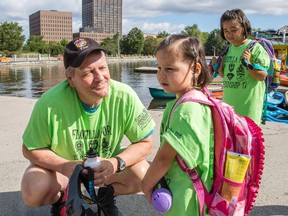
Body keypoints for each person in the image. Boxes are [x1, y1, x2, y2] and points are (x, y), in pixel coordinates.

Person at [20, 37, 156, 216]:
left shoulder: (125, 96)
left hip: (105, 168)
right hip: (64, 172)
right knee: (33, 189)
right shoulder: (48, 104)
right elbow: (30, 148)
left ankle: (105, 197)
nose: (100, 78)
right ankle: (63, 199)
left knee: (144, 173)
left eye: (103, 68)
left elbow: (145, 142)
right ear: (70, 78)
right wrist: (65, 166)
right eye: (88, 73)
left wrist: (115, 163)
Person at [142, 34, 214, 215]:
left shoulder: (187, 110)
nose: (161, 75)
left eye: (170, 68)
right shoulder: (198, 98)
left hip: (187, 196)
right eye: (158, 67)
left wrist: (146, 184)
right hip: (192, 189)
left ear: (195, 69)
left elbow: (165, 157)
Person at [214, 8, 270, 125]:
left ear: (244, 28)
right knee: (231, 142)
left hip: (248, 108)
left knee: (248, 141)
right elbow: (228, 76)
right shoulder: (227, 50)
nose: (229, 34)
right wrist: (219, 69)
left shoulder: (255, 48)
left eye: (234, 30)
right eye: (226, 31)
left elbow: (262, 76)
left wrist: (248, 64)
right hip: (229, 107)